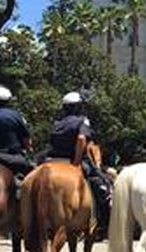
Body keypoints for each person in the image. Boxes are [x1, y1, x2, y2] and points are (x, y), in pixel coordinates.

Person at [47, 91, 112, 232]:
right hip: (73, 160)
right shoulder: (82, 121)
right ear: (78, 107)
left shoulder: (57, 123)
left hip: (53, 160)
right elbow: (82, 139)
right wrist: (76, 162)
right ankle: (99, 219)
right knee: (101, 184)